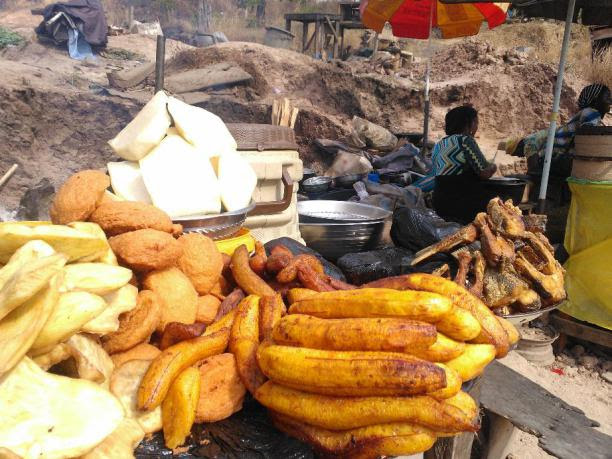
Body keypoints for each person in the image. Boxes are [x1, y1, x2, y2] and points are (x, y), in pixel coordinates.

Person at [506, 83, 611, 177]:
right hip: (555, 158)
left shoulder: (590, 115)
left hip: (551, 155)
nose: (610, 100)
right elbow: (589, 130)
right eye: (607, 97)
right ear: (595, 101)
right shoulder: (590, 112)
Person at [413, 105, 497, 192]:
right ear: (470, 123)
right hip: (461, 197)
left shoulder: (439, 144)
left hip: (439, 198)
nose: (477, 127)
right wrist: (493, 167)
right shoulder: (465, 140)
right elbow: (484, 174)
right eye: (476, 123)